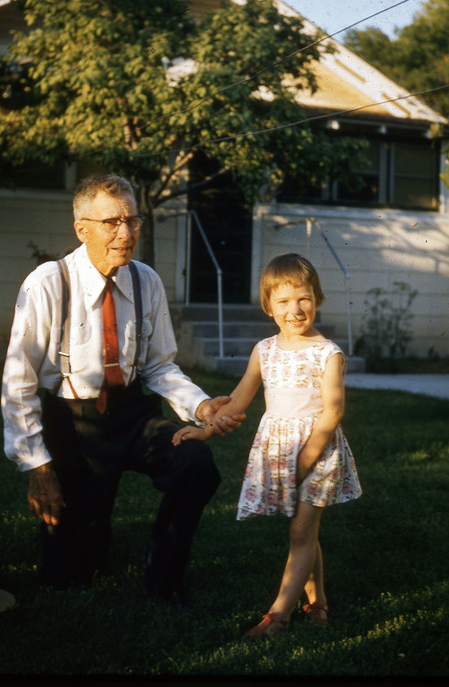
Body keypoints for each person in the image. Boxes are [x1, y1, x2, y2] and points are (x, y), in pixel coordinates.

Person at [1, 173, 244, 608]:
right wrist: (38, 468)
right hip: (75, 426)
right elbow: (17, 385)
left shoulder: (145, 281)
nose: (126, 233)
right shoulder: (47, 283)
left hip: (134, 414)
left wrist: (201, 406)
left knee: (195, 464)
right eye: (112, 222)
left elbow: (158, 366)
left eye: (133, 220)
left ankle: (163, 575)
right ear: (82, 228)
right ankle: (87, 534)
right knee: (70, 575)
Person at [173, 252, 362, 634]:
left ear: (317, 298)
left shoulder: (327, 354)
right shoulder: (265, 350)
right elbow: (239, 399)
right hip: (281, 451)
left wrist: (308, 455)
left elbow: (332, 412)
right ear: (269, 307)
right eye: (284, 301)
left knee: (299, 532)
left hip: (318, 451)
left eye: (304, 298)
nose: (295, 309)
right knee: (303, 530)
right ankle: (318, 602)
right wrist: (205, 429)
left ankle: (278, 616)